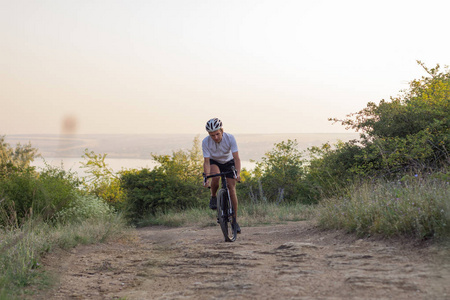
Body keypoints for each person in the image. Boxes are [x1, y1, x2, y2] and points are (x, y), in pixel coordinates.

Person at [202, 117, 242, 233]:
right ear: (209, 134)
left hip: (229, 162)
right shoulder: (205, 142)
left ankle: (234, 220)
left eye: (217, 134)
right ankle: (213, 196)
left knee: (231, 188)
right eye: (212, 135)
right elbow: (206, 162)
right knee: (215, 177)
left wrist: (237, 173)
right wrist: (206, 178)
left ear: (222, 131)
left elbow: (236, 158)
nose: (215, 137)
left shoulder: (230, 138)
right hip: (215, 162)